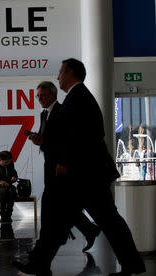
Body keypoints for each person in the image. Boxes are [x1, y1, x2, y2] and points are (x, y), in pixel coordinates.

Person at [15, 58, 145, 276]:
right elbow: (73, 137)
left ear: (71, 73)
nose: (58, 77)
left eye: (60, 72)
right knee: (68, 219)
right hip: (85, 175)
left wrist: (64, 162)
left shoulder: (78, 98)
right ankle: (40, 263)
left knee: (100, 221)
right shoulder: (78, 97)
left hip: (85, 175)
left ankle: (40, 263)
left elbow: (82, 137)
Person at [29, 81, 100, 252]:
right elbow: (51, 139)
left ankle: (46, 246)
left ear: (53, 95)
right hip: (51, 163)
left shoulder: (62, 111)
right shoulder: (44, 114)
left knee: (52, 203)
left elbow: (68, 141)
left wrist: (62, 162)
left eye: (43, 95)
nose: (40, 99)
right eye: (38, 96)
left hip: (60, 166)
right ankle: (88, 230)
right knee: (64, 204)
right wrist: (40, 140)